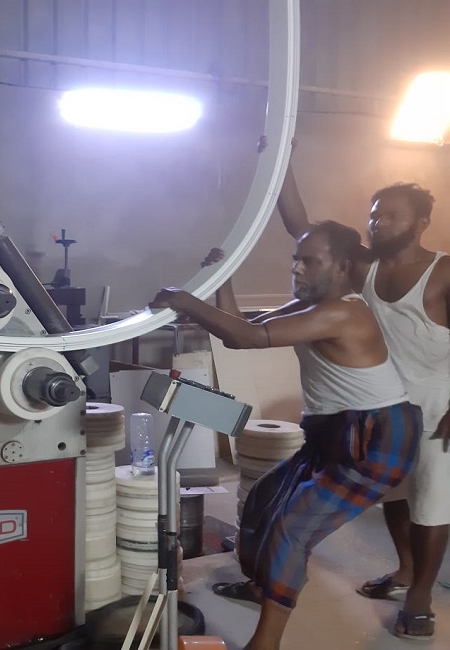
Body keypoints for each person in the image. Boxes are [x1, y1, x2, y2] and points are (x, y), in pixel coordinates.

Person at [150, 221, 422, 650]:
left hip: (376, 440)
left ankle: (267, 641)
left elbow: (247, 336)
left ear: (342, 267)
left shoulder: (344, 312)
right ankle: (263, 587)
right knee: (262, 500)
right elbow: (241, 331)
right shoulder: (309, 306)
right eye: (296, 259)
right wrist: (224, 279)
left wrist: (185, 300)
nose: (296, 268)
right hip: (334, 434)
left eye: (309, 261)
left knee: (291, 528)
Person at [278, 163, 450, 640]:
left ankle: (420, 597)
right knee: (394, 494)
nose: (379, 223)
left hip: (437, 408)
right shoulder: (364, 266)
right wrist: (283, 162)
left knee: (431, 503)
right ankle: (405, 570)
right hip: (384, 408)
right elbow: (301, 226)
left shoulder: (443, 272)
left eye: (392, 216)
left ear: (421, 222)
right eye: (375, 215)